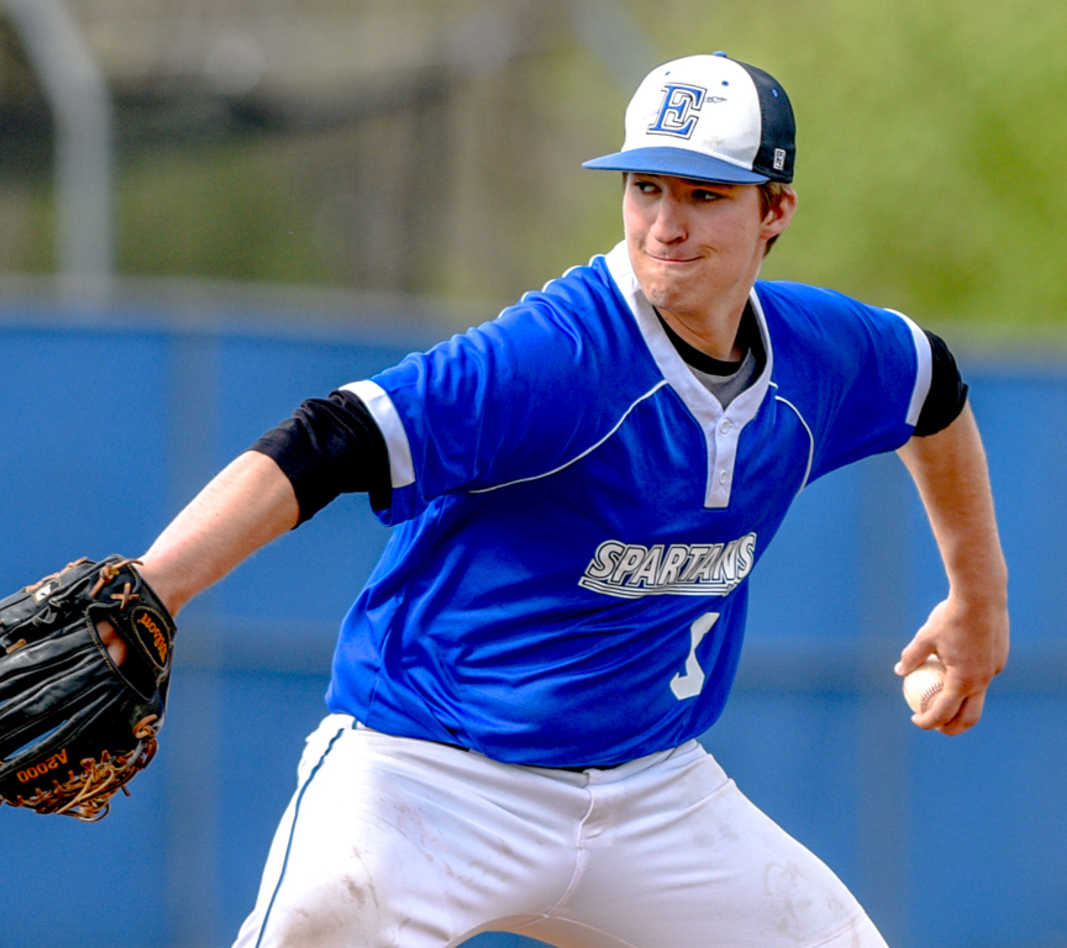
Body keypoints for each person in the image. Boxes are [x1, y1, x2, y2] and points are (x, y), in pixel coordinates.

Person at [125, 52, 1009, 948]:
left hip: (651, 795)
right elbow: (331, 437)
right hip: (430, 777)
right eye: (646, 188)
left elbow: (930, 387)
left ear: (773, 210)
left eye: (705, 195)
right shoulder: (556, 357)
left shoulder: (817, 357)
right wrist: (153, 589)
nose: (665, 224)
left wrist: (978, 599)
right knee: (317, 923)